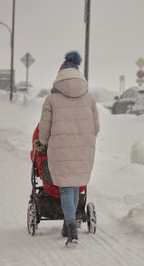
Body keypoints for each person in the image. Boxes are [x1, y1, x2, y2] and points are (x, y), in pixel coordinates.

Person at [35, 51, 100, 246]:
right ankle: (68, 225)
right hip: (84, 149)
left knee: (65, 188)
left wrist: (42, 144)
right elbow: (96, 128)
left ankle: (72, 230)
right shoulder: (89, 99)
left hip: (60, 149)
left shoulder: (51, 100)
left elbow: (44, 129)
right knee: (75, 187)